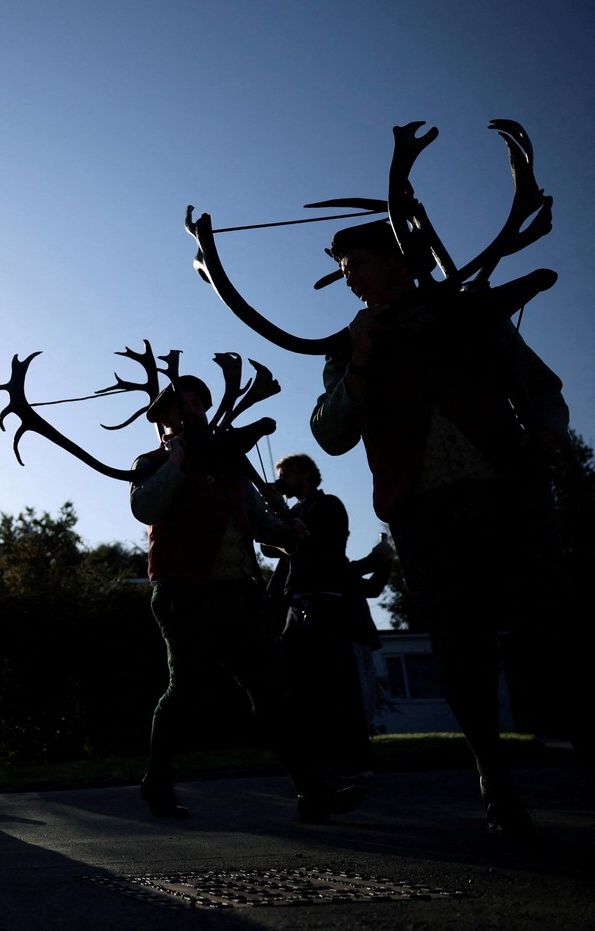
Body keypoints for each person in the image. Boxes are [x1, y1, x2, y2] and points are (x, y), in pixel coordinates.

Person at [311, 218, 582, 836]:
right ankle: (494, 776)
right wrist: (357, 364)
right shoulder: (346, 345)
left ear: (398, 261)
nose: (349, 276)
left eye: (358, 262)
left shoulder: (467, 314)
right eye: (346, 266)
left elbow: (544, 389)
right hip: (421, 508)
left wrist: (547, 434)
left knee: (557, 629)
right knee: (461, 647)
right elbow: (330, 435)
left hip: (507, 490)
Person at [131, 376, 365, 822]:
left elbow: (257, 522)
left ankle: (313, 791)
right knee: (187, 691)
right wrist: (176, 464)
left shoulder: (230, 464)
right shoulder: (152, 462)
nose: (195, 411)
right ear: (163, 421)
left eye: (200, 403)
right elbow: (146, 509)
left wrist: (284, 534)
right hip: (184, 593)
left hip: (242, 593)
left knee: (275, 692)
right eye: (183, 406)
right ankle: (158, 783)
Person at [269, 453, 385, 778]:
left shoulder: (328, 506)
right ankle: (315, 757)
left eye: (288, 475)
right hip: (297, 604)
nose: (284, 482)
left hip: (326, 602)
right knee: (300, 685)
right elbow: (270, 547)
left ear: (306, 475)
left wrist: (282, 519)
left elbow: (323, 549)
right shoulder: (293, 511)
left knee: (336, 684)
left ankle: (353, 758)